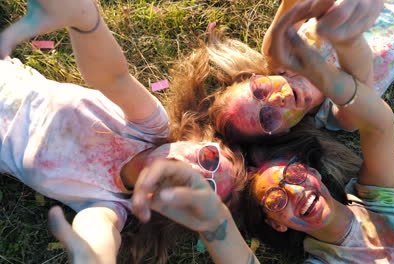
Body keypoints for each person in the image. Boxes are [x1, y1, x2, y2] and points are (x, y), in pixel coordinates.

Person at [121, 1, 394, 263]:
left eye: (295, 175)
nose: (296, 192)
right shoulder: (340, 240)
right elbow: (373, 113)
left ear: (313, 172)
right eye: (276, 201)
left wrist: (300, 48)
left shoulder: (380, 198)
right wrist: (212, 222)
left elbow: (379, 121)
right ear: (276, 224)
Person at [0, 0, 246, 263]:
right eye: (208, 158)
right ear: (195, 139)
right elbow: (112, 77)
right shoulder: (149, 126)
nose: (192, 172)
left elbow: (98, 229)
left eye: (201, 190)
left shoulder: (112, 204)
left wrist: (94, 256)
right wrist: (86, 21)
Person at [169, 0, 394, 141]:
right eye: (268, 118)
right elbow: (359, 78)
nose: (275, 100)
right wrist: (345, 38)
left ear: (256, 78)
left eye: (259, 92)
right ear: (283, 133)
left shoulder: (279, 57)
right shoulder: (336, 116)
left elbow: (293, 6)